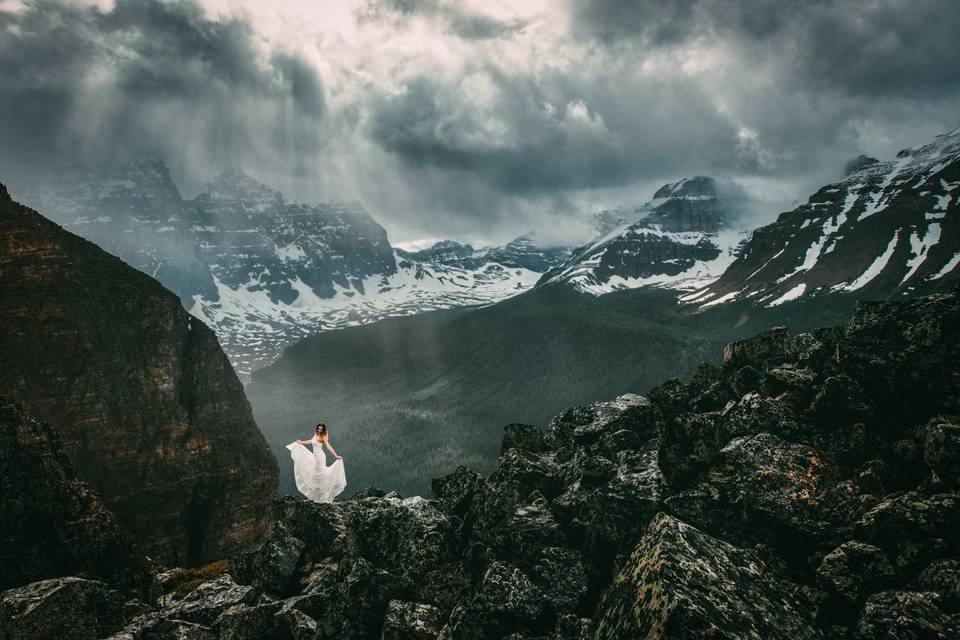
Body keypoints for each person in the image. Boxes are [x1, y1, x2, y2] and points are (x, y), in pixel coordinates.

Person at [285, 422, 346, 503]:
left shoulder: (323, 436)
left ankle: (323, 496)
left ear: (323, 429)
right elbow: (311, 441)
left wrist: (335, 456)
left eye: (321, 429)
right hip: (315, 457)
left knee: (320, 474)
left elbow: (328, 447)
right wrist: (301, 442)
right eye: (318, 428)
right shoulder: (316, 434)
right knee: (315, 474)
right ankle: (317, 497)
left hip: (320, 457)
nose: (319, 430)